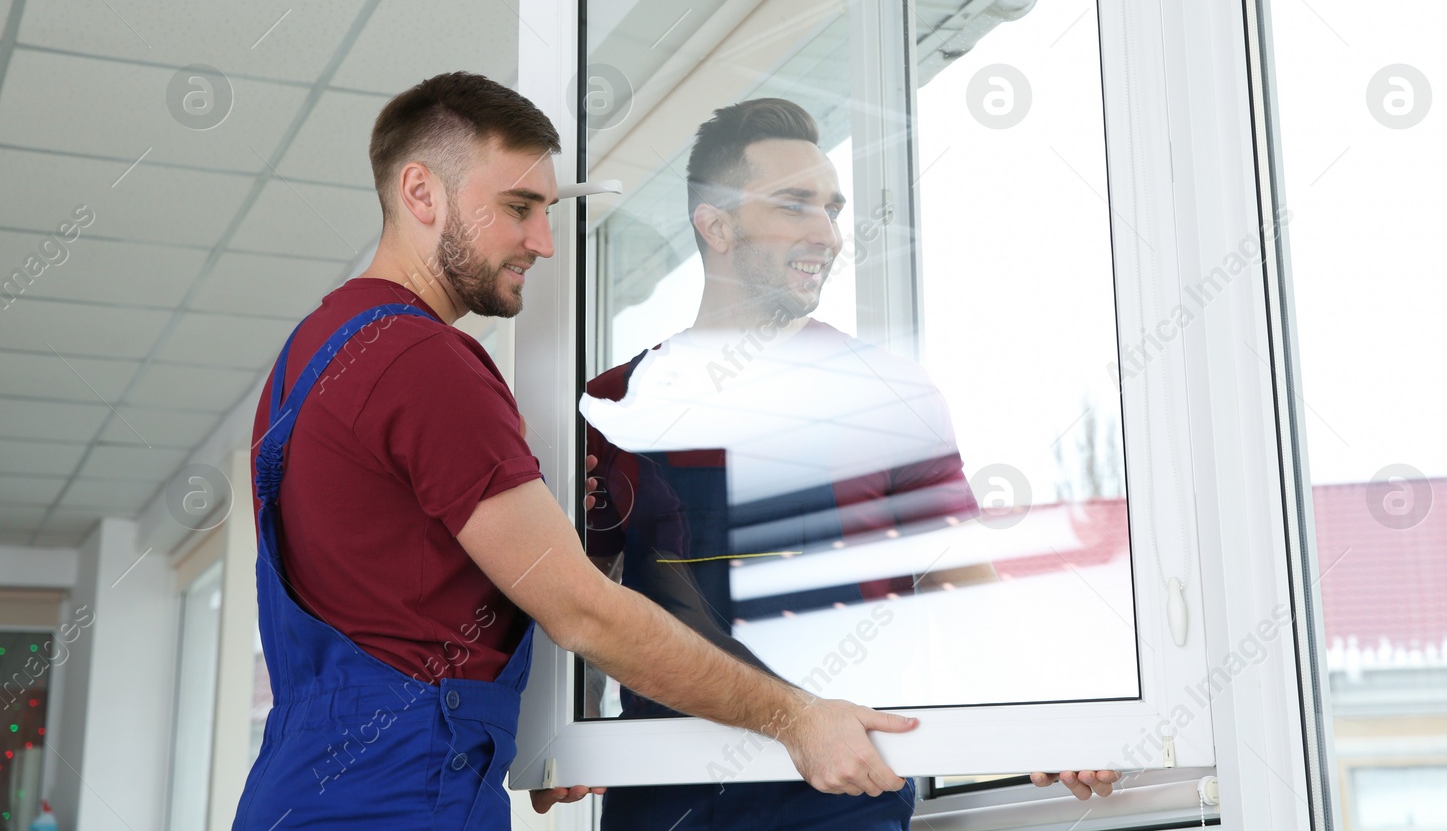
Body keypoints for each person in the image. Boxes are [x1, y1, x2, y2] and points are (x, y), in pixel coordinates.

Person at [232, 74, 917, 831]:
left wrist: (561, 722)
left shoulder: (311, 352)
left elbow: (408, 601)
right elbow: (583, 610)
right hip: (399, 799)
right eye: (519, 208)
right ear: (421, 193)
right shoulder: (424, 362)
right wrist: (798, 718)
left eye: (549, 213)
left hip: (299, 790)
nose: (544, 242)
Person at [582, 99, 1119, 831]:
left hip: (837, 796)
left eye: (831, 208)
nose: (826, 233)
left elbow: (959, 583)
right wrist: (566, 736)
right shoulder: (615, 402)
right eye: (794, 204)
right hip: (662, 791)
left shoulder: (887, 394)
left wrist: (1049, 719)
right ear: (716, 224)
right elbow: (578, 600)